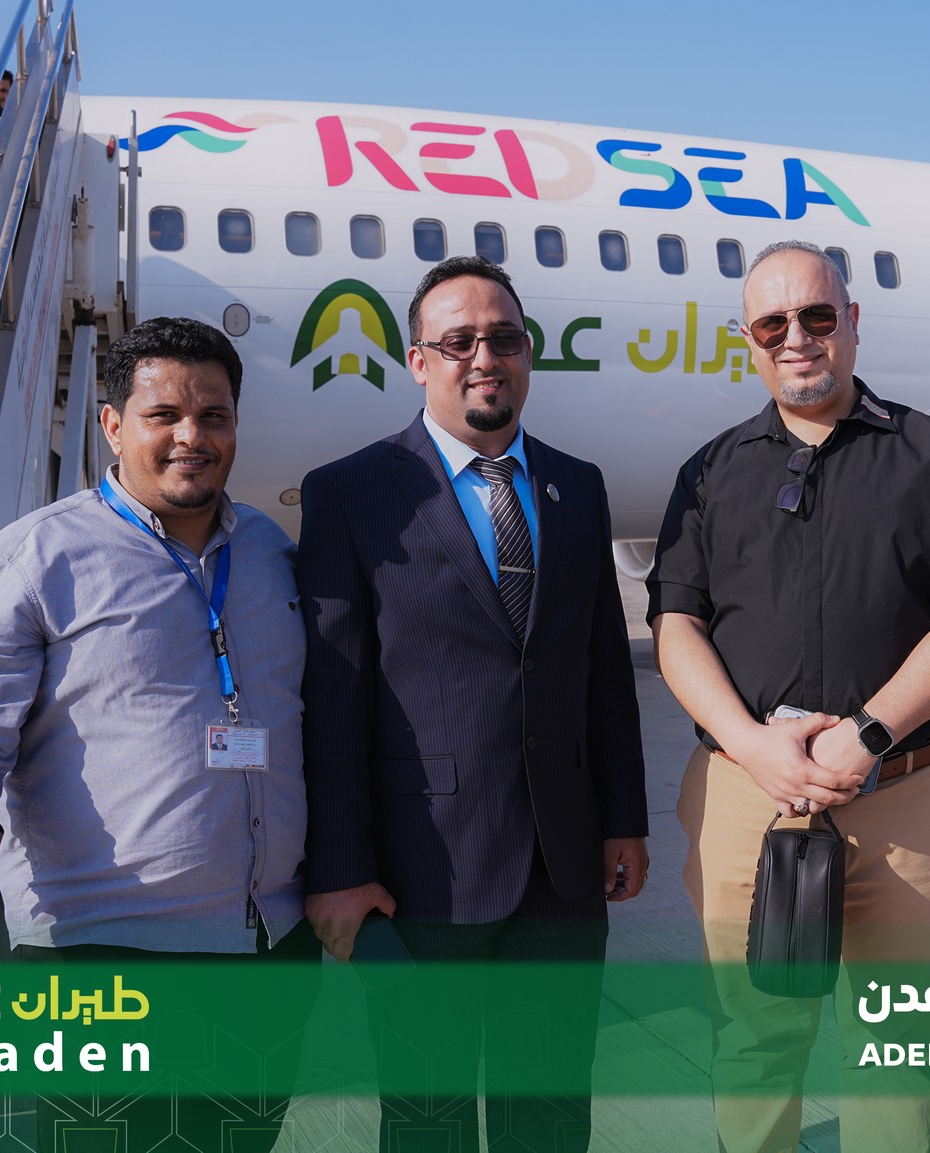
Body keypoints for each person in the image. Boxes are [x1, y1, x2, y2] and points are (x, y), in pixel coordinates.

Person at [0, 317, 313, 1152]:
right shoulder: (38, 556)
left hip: (265, 942)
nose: (192, 436)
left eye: (214, 416)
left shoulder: (269, 551)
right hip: (103, 952)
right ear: (113, 425)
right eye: (164, 415)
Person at [647, 239, 930, 1153]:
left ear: (852, 321)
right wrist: (751, 744)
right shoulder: (709, 471)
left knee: (896, 1050)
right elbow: (676, 624)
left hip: (905, 795)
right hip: (748, 795)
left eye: (816, 316)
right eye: (773, 323)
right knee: (753, 1039)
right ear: (749, 340)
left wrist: (869, 733)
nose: (797, 337)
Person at [298, 256, 649, 1153]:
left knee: (552, 1115)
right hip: (423, 872)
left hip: (564, 871)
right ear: (419, 361)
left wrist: (623, 819)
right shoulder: (352, 491)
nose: (484, 357)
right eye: (458, 342)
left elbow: (603, 670)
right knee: (428, 1121)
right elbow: (333, 697)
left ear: (528, 353)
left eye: (504, 338)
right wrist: (338, 865)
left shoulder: (578, 485)